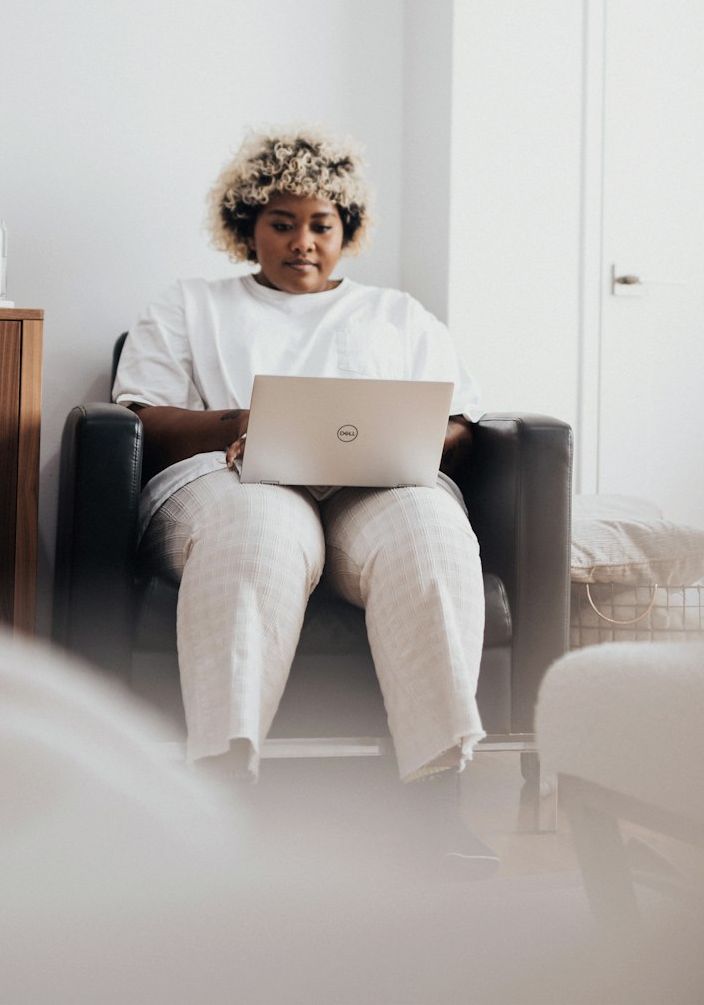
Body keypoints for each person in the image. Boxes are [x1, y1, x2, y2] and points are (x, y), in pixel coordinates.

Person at [113, 125, 496, 871]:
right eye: (280, 223)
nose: (301, 242)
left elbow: (461, 425)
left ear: (345, 228)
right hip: (229, 481)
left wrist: (395, 441)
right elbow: (139, 417)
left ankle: (437, 804)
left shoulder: (399, 316)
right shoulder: (189, 304)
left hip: (372, 489)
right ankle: (225, 794)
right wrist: (243, 424)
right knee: (257, 526)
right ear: (246, 225)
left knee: (432, 529)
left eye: (320, 223)